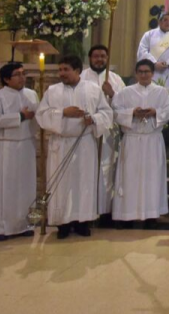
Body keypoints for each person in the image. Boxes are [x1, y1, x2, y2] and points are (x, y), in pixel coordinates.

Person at [35, 55, 113, 239]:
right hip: (60, 143)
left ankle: (82, 221)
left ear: (77, 71)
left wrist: (92, 119)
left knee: (83, 182)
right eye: (60, 70)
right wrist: (63, 112)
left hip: (84, 143)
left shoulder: (93, 89)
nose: (62, 73)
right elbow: (41, 114)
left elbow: (106, 112)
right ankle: (62, 223)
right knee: (61, 185)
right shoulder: (52, 91)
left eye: (66, 70)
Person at [111, 60, 169, 229]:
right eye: (141, 72)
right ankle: (127, 215)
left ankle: (151, 215)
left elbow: (167, 112)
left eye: (147, 71)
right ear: (136, 73)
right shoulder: (125, 92)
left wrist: (155, 112)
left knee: (152, 177)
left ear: (152, 73)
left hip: (152, 139)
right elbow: (115, 112)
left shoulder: (162, 92)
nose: (144, 75)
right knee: (130, 177)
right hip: (133, 139)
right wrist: (132, 113)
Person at [0, 63, 38, 241]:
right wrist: (21, 116)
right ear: (6, 79)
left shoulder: (31, 94)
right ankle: (2, 227)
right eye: (17, 74)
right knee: (4, 187)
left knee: (26, 186)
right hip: (6, 146)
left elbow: (38, 117)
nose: (22, 77)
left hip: (26, 144)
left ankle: (25, 225)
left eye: (24, 74)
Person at [80, 44, 125, 222]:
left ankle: (106, 210)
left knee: (107, 170)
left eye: (103, 56)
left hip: (108, 133)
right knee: (87, 170)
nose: (100, 59)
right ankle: (87, 210)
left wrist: (112, 93)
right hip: (88, 132)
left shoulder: (115, 79)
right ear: (90, 58)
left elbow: (124, 105)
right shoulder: (81, 78)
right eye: (96, 56)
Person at [137, 12, 169, 89]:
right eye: (165, 20)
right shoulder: (149, 35)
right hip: (152, 71)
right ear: (159, 21)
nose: (168, 23)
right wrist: (154, 63)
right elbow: (142, 51)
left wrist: (167, 63)